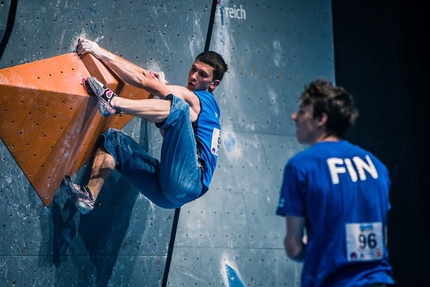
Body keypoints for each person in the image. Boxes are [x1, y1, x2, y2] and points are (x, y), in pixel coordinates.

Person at [61, 38, 228, 214]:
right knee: (113, 141)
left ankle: (113, 102)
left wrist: (99, 52)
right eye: (193, 69)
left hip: (190, 178)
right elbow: (171, 136)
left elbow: (142, 81)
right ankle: (90, 195)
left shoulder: (198, 99)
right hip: (170, 195)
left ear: (214, 84)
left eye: (202, 74)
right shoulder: (212, 113)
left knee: (179, 109)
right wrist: (164, 90)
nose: (194, 76)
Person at [276, 79, 394, 287]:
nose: (294, 116)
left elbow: (293, 247)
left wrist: (322, 249)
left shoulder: (301, 166)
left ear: (321, 118)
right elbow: (381, 241)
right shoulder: (378, 166)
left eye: (303, 110)